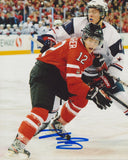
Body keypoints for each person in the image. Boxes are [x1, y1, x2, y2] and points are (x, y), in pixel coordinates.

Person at [8, 23, 112, 159]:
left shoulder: (83, 49)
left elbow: (77, 74)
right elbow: (74, 83)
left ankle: (58, 123)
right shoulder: (78, 51)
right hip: (44, 75)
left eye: (96, 41)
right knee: (41, 112)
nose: (93, 44)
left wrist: (94, 63)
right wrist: (93, 92)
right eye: (90, 40)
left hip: (58, 77)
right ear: (85, 37)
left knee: (80, 99)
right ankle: (17, 145)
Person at [36, 0, 127, 135]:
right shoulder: (77, 23)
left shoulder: (111, 33)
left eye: (95, 12)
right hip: (75, 70)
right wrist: (49, 40)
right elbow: (55, 33)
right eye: (89, 11)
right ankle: (44, 123)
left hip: (99, 74)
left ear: (103, 14)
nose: (91, 14)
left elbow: (119, 57)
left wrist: (109, 76)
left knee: (122, 99)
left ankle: (57, 123)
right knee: (58, 102)